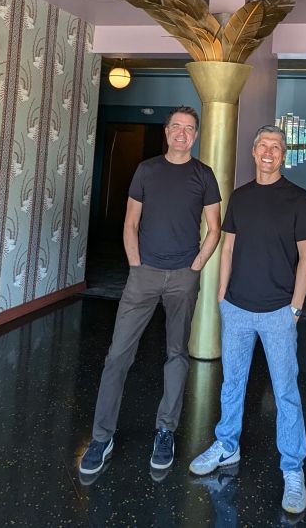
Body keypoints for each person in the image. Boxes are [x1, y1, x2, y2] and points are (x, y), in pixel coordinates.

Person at [79, 106, 222, 477]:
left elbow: (214, 229)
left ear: (195, 135)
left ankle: (165, 430)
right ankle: (101, 436)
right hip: (143, 276)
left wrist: (195, 267)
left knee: (177, 354)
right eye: (176, 126)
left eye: (189, 128)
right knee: (117, 355)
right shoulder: (147, 170)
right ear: (166, 131)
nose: (182, 133)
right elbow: (130, 222)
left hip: (183, 277)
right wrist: (136, 264)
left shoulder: (204, 176)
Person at [189, 124, 306, 515]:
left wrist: (295, 308)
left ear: (283, 154)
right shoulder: (240, 197)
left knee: (285, 393)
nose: (269, 152)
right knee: (232, 383)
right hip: (238, 308)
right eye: (263, 144)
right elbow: (227, 247)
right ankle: (227, 445)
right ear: (253, 151)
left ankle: (292, 469)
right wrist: (221, 295)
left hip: (279, 312)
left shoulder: (298, 198)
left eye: (276, 147)